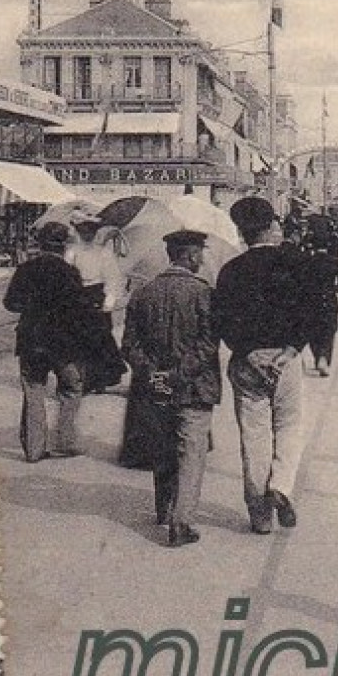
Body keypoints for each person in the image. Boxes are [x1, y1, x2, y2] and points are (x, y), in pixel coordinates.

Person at [213, 196, 317, 534]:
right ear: (272, 226)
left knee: (253, 436)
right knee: (289, 426)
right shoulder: (297, 263)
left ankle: (259, 517)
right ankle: (281, 486)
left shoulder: (230, 271)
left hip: (247, 362)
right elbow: (314, 310)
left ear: (241, 232)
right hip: (286, 360)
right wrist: (290, 349)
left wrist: (247, 352)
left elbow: (222, 321)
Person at [122, 230, 221, 547]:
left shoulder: (143, 293)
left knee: (163, 448)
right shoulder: (204, 293)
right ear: (190, 256)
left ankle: (163, 510)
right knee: (191, 453)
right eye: (199, 254)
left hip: (154, 388)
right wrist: (179, 374)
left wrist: (154, 373)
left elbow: (129, 346)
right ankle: (181, 522)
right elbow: (208, 345)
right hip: (193, 388)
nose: (202, 259)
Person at [3, 222, 88, 462]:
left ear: (40, 244)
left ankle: (34, 449)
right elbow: (79, 310)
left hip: (31, 340)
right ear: (63, 246)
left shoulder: (25, 270)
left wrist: (31, 306)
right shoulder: (70, 273)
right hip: (62, 343)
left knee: (34, 392)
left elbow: (10, 303)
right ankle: (66, 440)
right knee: (72, 389)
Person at [65, 216, 127, 392]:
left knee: (100, 339)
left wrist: (109, 301)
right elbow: (67, 275)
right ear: (78, 232)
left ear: (95, 232)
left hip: (97, 296)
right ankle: (82, 379)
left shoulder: (104, 253)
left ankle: (99, 379)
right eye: (84, 230)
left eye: (91, 230)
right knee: (79, 340)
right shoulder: (72, 252)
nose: (87, 234)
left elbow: (113, 278)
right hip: (78, 297)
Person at [305, 238, 338, 376]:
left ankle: (317, 355)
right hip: (329, 299)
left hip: (312, 300)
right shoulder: (334, 262)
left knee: (313, 330)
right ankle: (324, 357)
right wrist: (336, 289)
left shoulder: (307, 262)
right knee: (329, 330)